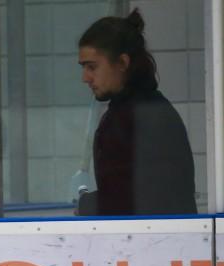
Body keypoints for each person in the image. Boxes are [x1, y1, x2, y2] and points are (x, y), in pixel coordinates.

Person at [76, 9, 196, 215]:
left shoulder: (144, 116)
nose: (85, 78)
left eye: (92, 67)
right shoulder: (134, 111)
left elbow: (141, 198)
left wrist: (87, 205)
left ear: (122, 62)